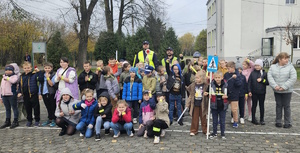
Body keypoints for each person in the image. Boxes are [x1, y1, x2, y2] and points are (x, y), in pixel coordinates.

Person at [268, 52, 296, 128]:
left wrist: (284, 87)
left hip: (287, 91)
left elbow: (293, 78)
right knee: (278, 105)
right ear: (280, 59)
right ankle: (278, 121)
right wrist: (275, 86)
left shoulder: (290, 67)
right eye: (285, 58)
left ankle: (287, 122)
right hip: (277, 91)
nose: (287, 60)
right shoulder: (273, 67)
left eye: (287, 58)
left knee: (286, 106)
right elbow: (270, 77)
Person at [18, 62, 43, 127]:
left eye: (28, 68)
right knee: (27, 108)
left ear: (31, 68)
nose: (27, 69)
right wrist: (19, 92)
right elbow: (20, 85)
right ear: (23, 69)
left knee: (36, 108)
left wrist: (39, 72)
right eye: (25, 68)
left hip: (33, 94)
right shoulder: (21, 76)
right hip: (25, 95)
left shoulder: (34, 74)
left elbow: (41, 79)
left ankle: (37, 120)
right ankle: (29, 120)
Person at [186, 71, 208, 136]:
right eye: (196, 78)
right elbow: (191, 95)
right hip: (195, 104)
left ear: (202, 78)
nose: (196, 79)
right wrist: (188, 103)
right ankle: (194, 130)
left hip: (203, 104)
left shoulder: (206, 86)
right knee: (194, 118)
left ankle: (205, 130)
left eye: (198, 78)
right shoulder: (193, 85)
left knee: (203, 118)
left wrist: (207, 94)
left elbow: (208, 93)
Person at [208, 71, 229, 139]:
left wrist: (227, 96)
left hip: (223, 106)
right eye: (216, 77)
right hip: (214, 105)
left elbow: (230, 93)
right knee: (214, 121)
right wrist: (208, 95)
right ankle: (214, 133)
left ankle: (223, 133)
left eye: (219, 77)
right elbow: (208, 92)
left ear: (222, 78)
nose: (217, 79)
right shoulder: (211, 84)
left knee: (222, 121)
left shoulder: (225, 85)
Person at [248, 59, 269, 125]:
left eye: (258, 65)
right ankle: (253, 118)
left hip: (262, 93)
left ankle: (262, 119)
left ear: (261, 66)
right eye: (255, 65)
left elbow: (267, 82)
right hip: (254, 92)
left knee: (261, 106)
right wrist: (249, 91)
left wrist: (262, 80)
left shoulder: (264, 73)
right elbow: (249, 83)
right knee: (254, 105)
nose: (256, 67)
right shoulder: (252, 73)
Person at [0, 65, 19, 129]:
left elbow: (13, 81)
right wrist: (1, 97)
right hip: (4, 95)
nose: (8, 71)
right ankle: (7, 121)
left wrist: (7, 78)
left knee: (14, 108)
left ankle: (16, 120)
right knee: (7, 109)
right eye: (6, 70)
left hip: (11, 95)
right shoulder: (3, 77)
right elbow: (1, 87)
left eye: (9, 70)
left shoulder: (14, 76)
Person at [224, 61, 242, 128]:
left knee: (234, 109)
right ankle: (221, 119)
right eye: (227, 68)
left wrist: (236, 78)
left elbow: (239, 84)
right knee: (224, 108)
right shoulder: (226, 74)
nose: (228, 70)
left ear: (233, 68)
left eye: (229, 68)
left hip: (234, 94)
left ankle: (235, 121)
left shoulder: (238, 75)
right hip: (227, 94)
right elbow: (224, 82)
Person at [39, 62, 57, 127]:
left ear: (51, 68)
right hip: (44, 93)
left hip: (51, 93)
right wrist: (39, 93)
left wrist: (48, 78)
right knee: (47, 107)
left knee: (53, 106)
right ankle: (49, 118)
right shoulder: (42, 75)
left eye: (49, 68)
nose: (47, 69)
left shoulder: (53, 75)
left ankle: (54, 119)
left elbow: (52, 84)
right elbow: (41, 84)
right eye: (46, 68)